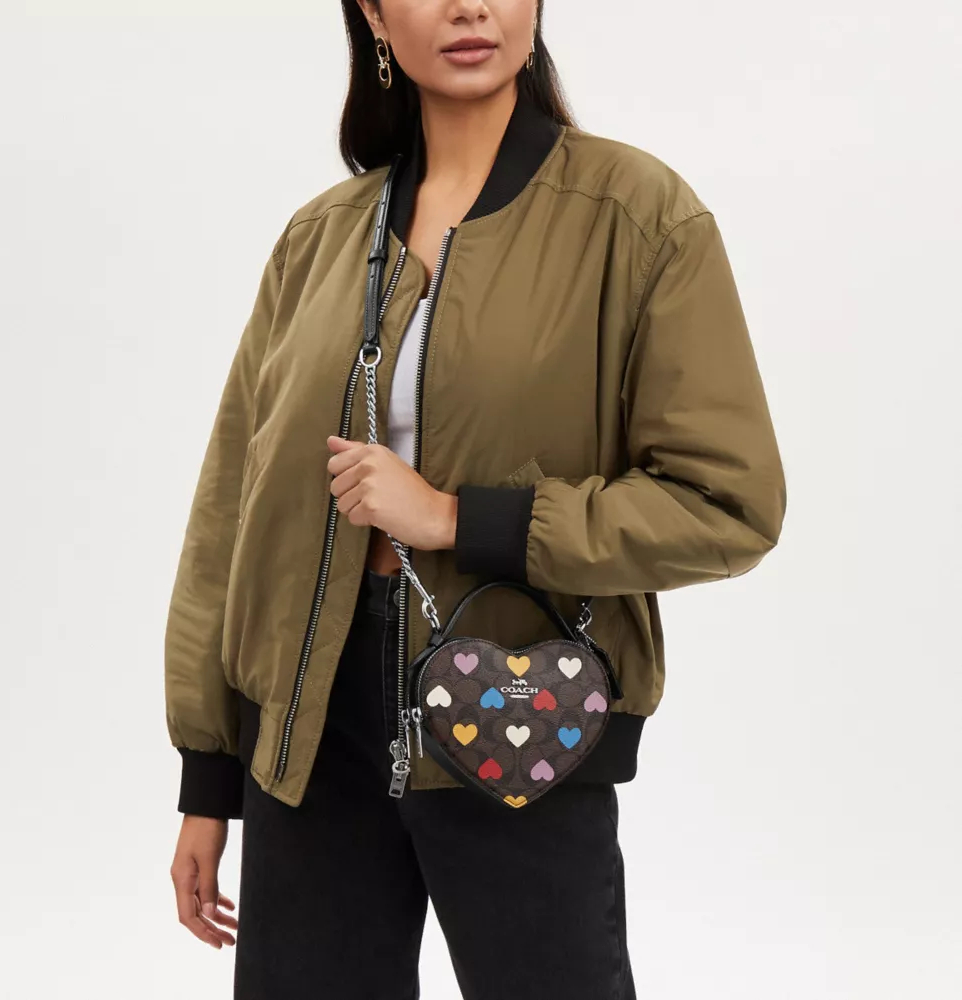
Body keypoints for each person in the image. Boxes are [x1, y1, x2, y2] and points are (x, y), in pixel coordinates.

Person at [164, 2, 786, 997]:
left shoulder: (635, 216)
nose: (468, 6)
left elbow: (727, 503)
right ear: (374, 14)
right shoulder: (320, 239)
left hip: (517, 706)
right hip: (309, 727)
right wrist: (211, 773)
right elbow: (231, 512)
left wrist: (460, 519)